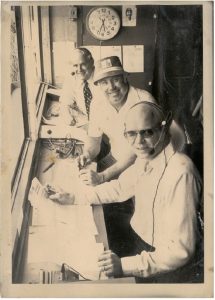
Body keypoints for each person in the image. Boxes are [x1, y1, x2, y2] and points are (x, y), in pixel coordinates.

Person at [47, 101, 202, 281]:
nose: (139, 142)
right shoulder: (149, 155)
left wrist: (124, 265)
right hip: (143, 243)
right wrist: (74, 197)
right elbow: (121, 188)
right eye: (131, 134)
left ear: (163, 130)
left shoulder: (181, 173)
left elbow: (180, 251)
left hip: (168, 265)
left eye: (147, 132)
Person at [78, 56, 156, 186]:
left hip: (144, 162)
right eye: (104, 82)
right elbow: (94, 139)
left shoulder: (144, 101)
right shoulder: (97, 103)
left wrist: (103, 176)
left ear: (125, 77)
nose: (111, 87)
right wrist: (87, 154)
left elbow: (138, 152)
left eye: (115, 79)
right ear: (98, 85)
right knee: (84, 186)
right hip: (115, 158)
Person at [43, 47, 96, 127]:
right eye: (75, 65)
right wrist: (67, 116)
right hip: (86, 123)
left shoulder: (102, 77)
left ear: (91, 62)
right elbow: (65, 102)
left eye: (83, 64)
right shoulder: (72, 78)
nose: (79, 69)